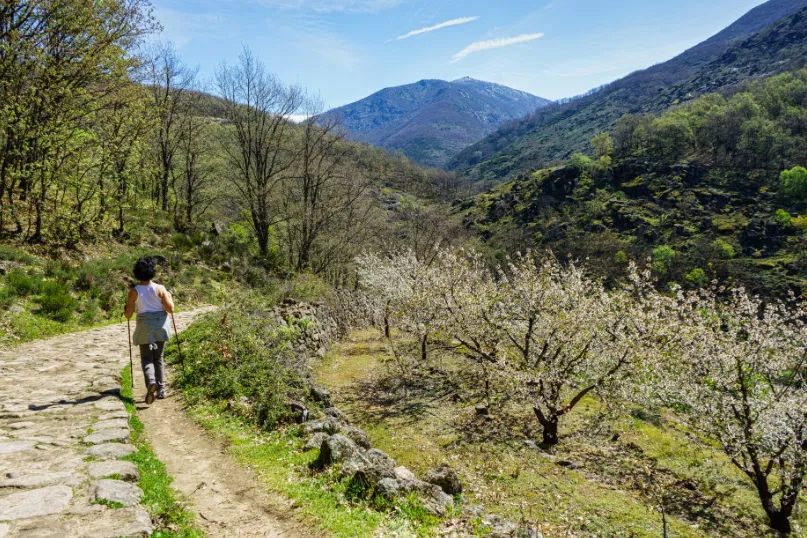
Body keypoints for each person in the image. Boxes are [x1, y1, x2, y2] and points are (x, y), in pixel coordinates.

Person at [124, 257, 175, 404]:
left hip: (145, 327)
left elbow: (128, 315)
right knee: (158, 358)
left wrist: (126, 309)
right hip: (160, 326)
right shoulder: (160, 289)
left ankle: (151, 382)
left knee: (146, 358)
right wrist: (169, 297)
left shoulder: (134, 291)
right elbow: (170, 309)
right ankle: (162, 389)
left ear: (137, 273)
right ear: (152, 272)